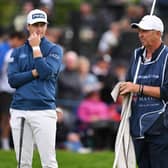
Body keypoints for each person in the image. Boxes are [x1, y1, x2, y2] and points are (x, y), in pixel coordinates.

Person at [8, 9, 63, 168]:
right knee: (23, 163)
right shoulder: (17, 52)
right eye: (35, 25)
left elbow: (46, 73)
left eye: (42, 25)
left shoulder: (54, 49)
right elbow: (12, 80)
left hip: (44, 110)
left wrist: (36, 49)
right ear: (28, 27)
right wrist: (34, 72)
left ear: (46, 26)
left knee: (49, 162)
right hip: (20, 110)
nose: (39, 29)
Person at [119, 15, 168, 168]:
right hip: (138, 124)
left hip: (161, 126)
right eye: (139, 31)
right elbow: (129, 82)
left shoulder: (167, 56)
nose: (141, 34)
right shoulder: (136, 55)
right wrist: (123, 88)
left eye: (145, 31)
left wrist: (138, 88)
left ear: (158, 33)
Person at [0, 31, 26, 150]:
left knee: (9, 118)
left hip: (12, 91)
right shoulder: (11, 53)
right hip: (6, 90)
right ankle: (5, 143)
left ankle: (7, 142)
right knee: (6, 118)